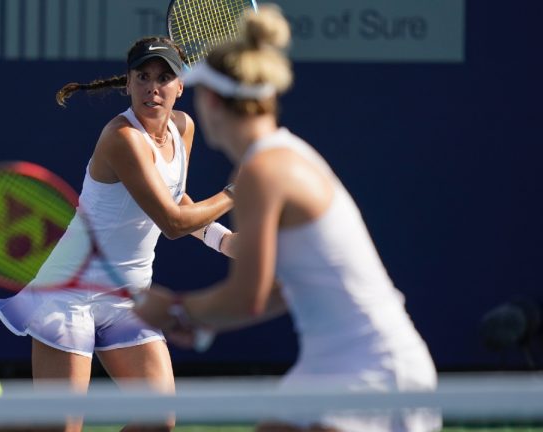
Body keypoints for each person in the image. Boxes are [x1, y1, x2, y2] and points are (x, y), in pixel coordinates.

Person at [134, 6, 441, 432]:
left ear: (210, 101)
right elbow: (279, 289)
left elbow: (248, 297)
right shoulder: (278, 158)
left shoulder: (264, 172)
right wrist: (200, 321)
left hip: (374, 368)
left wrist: (178, 310)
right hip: (331, 365)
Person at [0, 36, 236, 432]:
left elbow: (174, 198)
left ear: (180, 86)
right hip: (70, 292)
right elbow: (172, 222)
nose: (152, 87)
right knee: (60, 428)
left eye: (164, 77)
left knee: (158, 420)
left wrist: (224, 240)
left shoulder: (182, 129)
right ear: (128, 83)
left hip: (127, 296)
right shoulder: (121, 138)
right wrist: (233, 193)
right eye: (143, 76)